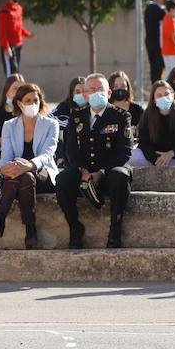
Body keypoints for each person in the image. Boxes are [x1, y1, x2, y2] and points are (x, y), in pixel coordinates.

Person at [55, 74, 134, 249]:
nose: (96, 93)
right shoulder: (76, 116)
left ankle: (115, 228)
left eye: (100, 90)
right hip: (84, 171)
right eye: (91, 90)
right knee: (62, 180)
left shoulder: (121, 116)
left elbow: (125, 151)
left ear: (109, 93)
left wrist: (101, 172)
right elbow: (70, 149)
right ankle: (75, 228)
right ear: (84, 95)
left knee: (120, 176)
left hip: (110, 171)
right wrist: (83, 171)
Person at [0, 82, 58, 249]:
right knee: (24, 178)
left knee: (27, 175)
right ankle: (30, 230)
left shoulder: (51, 124)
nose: (32, 104)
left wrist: (29, 164)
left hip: (43, 174)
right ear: (19, 103)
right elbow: (5, 159)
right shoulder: (9, 126)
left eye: (35, 100)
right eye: (28, 100)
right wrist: (6, 168)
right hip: (16, 176)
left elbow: (47, 154)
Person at [0, 0, 34, 77]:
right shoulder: (4, 11)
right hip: (9, 46)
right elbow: (2, 31)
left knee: (16, 71)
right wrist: (6, 48)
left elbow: (19, 27)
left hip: (18, 44)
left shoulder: (19, 9)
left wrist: (28, 34)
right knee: (10, 75)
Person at [143, 0, 171, 87]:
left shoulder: (150, 7)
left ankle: (155, 88)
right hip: (155, 42)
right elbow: (168, 16)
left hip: (151, 41)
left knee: (156, 67)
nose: (166, 0)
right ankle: (156, 89)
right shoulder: (154, 7)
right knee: (157, 67)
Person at [107, 70, 145, 143]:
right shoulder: (106, 109)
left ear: (128, 88)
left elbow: (144, 130)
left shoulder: (137, 109)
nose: (119, 89)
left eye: (123, 86)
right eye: (115, 86)